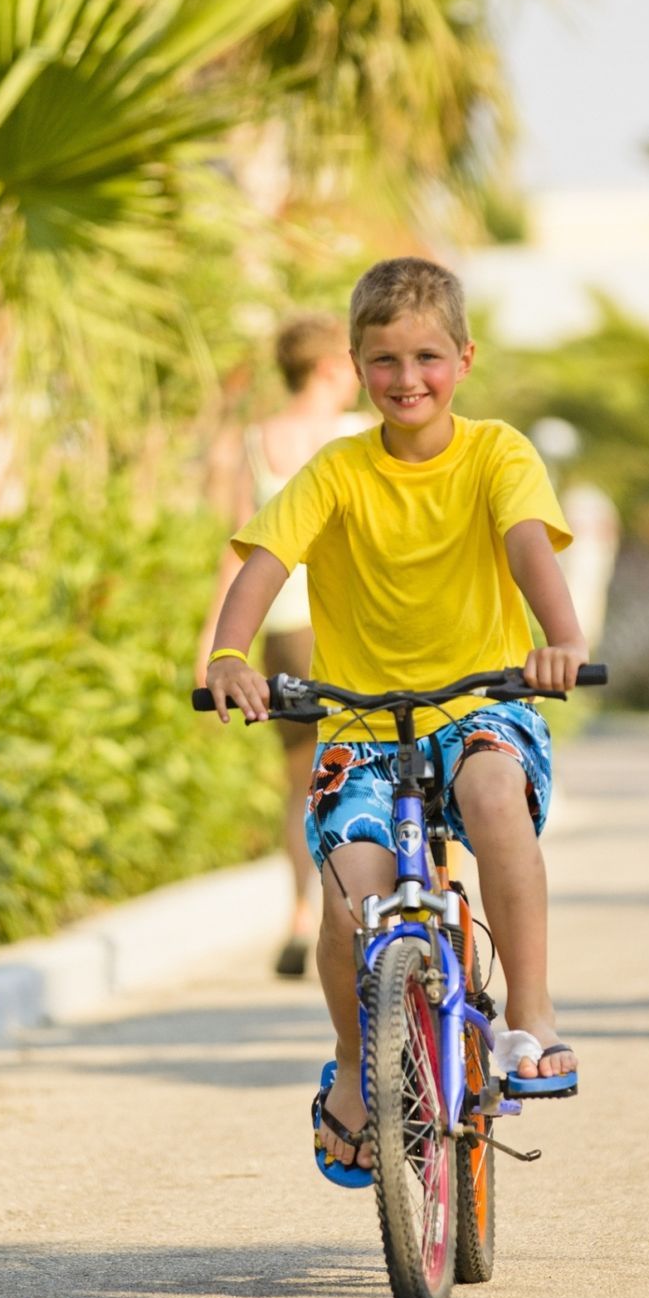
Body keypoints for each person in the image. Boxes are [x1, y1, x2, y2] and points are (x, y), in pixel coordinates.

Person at [203, 257, 589, 1176]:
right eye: (383, 359)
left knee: (492, 796)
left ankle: (531, 1014)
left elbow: (527, 543)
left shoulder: (497, 454)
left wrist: (562, 638)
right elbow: (265, 560)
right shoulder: (337, 469)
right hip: (363, 727)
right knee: (353, 902)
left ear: (464, 358)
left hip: (481, 706)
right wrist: (229, 654)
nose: (406, 377)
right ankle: (354, 1061)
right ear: (355, 365)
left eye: (426, 357)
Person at [197, 313, 371, 977]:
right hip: (349, 624)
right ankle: (372, 905)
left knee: (302, 780)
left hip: (279, 631)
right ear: (328, 368)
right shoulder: (358, 435)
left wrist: (218, 644)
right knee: (373, 761)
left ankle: (303, 911)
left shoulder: (257, 439)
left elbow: (239, 549)